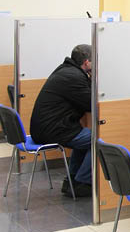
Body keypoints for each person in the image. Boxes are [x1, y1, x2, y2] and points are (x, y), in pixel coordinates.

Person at [31, 44, 93, 197]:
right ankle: (83, 183)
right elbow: (91, 103)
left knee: (86, 136)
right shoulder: (74, 77)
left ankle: (72, 180)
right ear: (87, 63)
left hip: (47, 128)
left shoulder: (66, 70)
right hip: (54, 130)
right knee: (98, 140)